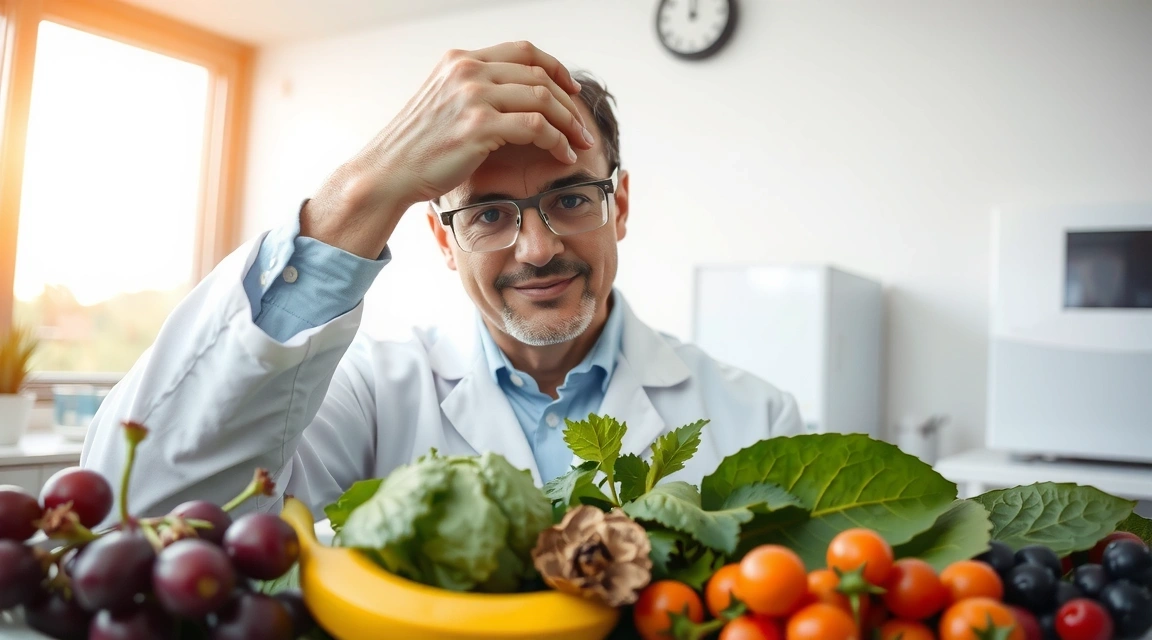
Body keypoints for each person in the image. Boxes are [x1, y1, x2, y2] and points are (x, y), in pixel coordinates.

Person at [81, 41, 802, 521]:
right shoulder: (364, 397)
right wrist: (364, 192)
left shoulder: (756, 419)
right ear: (442, 240)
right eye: (489, 214)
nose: (538, 247)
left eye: (573, 198)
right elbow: (136, 510)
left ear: (621, 206)